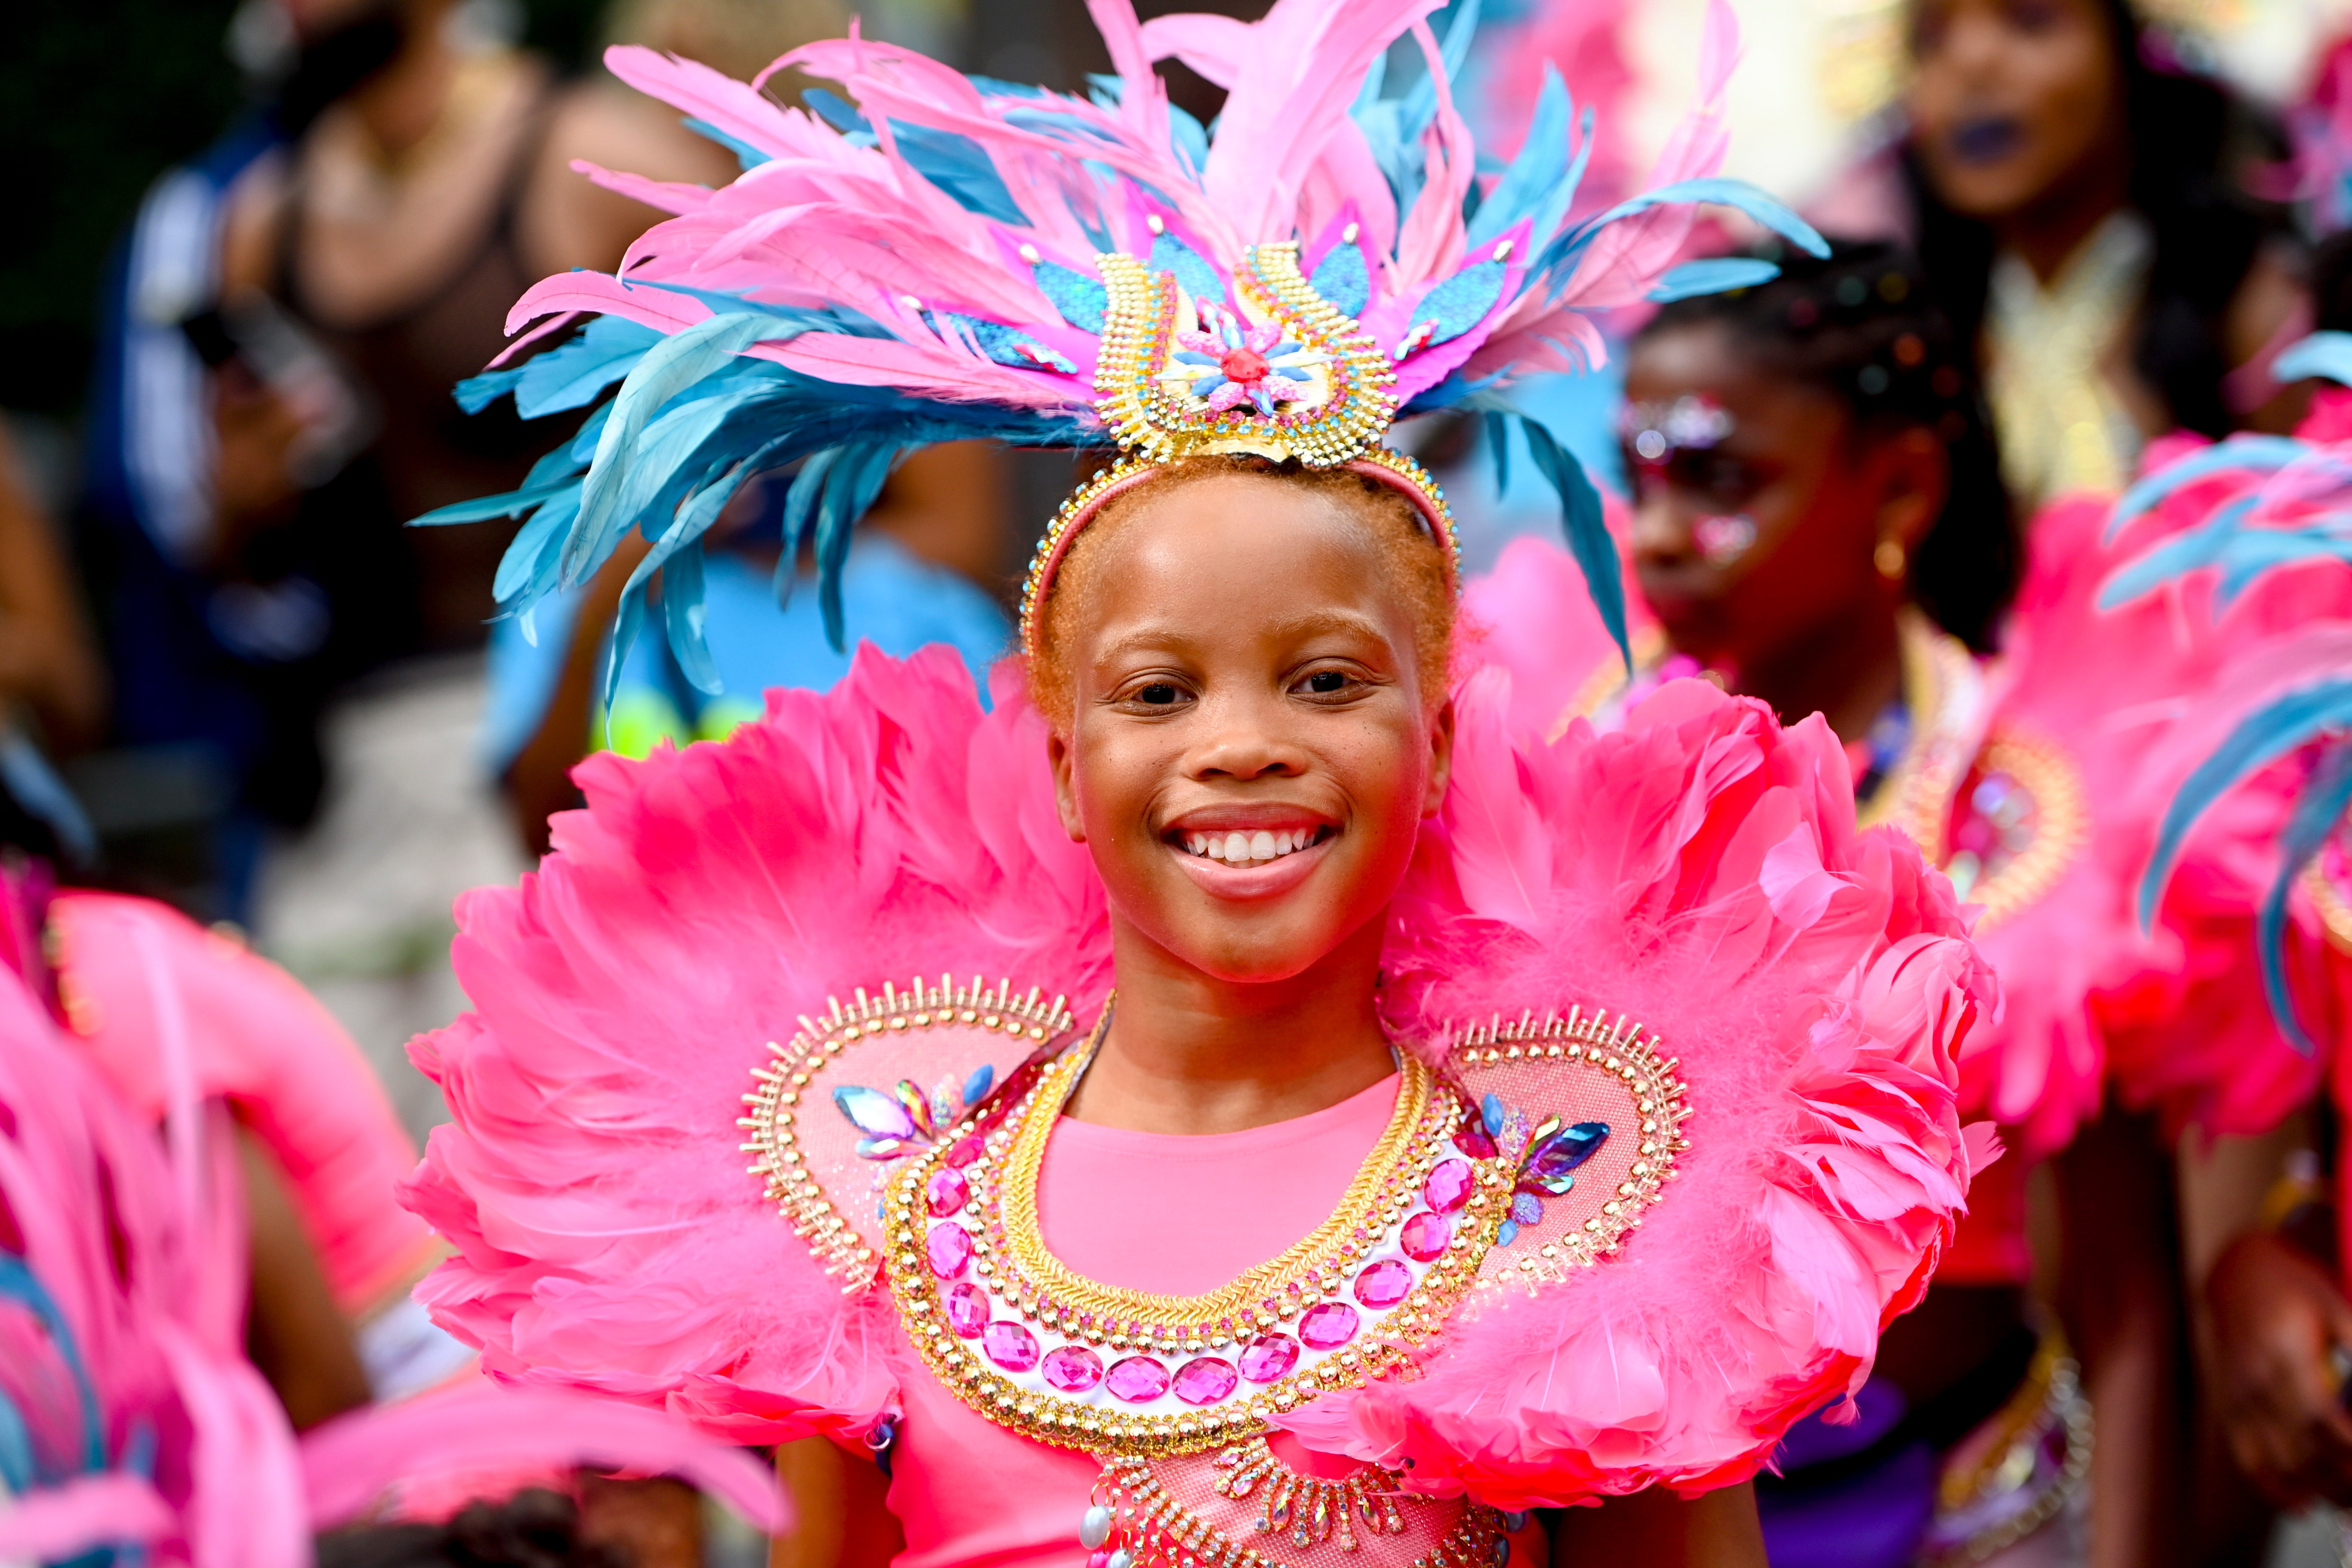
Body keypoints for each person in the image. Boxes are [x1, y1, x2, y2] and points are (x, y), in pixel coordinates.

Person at [395, 4, 1997, 1565]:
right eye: (1158, 691)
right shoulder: (865, 1197)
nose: (1240, 743)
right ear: (1060, 761)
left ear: (1437, 738)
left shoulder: (1600, 1202)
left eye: (1324, 679)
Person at [1464, 238, 2289, 1566]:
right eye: (1642, 478)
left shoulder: (2038, 795)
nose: (1661, 530)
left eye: (1721, 480)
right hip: (1653, 1510)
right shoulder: (1575, 754)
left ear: (1898, 484)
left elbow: (2124, 1289)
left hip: (1984, 1496)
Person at [1897, 0, 2305, 513]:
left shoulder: (2256, 314)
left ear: (2130, 48)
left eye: (2030, 23)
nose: (1970, 63)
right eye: (1930, 40)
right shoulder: (1913, 349)